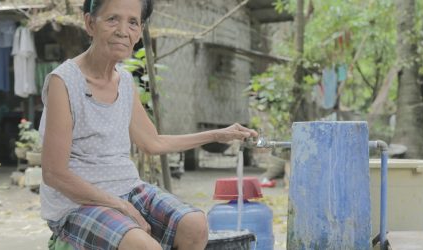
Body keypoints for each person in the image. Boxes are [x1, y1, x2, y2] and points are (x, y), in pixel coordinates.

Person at [39, 0, 258, 249]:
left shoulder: (123, 80)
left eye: (133, 22)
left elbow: (152, 142)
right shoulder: (64, 82)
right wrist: (120, 206)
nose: (123, 30)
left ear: (140, 30)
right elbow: (54, 174)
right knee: (145, 247)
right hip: (77, 202)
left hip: (127, 187)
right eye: (112, 19)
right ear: (90, 23)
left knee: (196, 225)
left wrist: (218, 135)